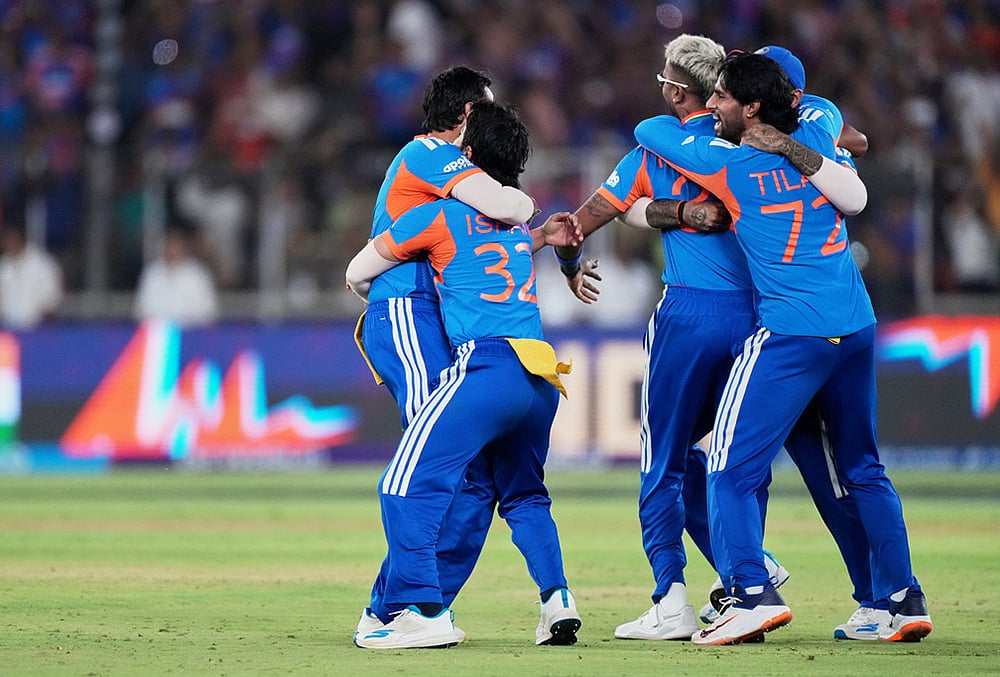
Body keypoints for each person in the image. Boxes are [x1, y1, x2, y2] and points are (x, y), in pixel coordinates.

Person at [633, 51, 931, 645]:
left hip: (791, 335)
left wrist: (722, 126)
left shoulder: (729, 166)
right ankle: (899, 600)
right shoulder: (818, 127)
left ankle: (747, 594)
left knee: (728, 467)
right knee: (863, 469)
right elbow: (852, 190)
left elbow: (650, 130)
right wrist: (792, 137)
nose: (711, 105)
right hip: (855, 326)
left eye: (720, 98)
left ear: (749, 109)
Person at [353, 65, 575, 647]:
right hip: (414, 313)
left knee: (460, 477)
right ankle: (413, 608)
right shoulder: (428, 153)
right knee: (449, 474)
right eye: (489, 105)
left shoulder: (455, 211)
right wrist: (533, 213)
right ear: (468, 115)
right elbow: (510, 203)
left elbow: (496, 226)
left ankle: (407, 609)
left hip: (455, 333)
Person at [133, 225, 219, 328]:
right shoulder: (152, 273)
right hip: (157, 335)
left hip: (192, 334)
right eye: (169, 245)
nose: (172, 249)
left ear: (183, 247)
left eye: (176, 245)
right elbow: (140, 310)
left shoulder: (197, 274)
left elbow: (208, 311)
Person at [0, 221, 64, 330]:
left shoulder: (42, 264)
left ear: (21, 240)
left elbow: (54, 295)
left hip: (37, 328)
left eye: (12, 240)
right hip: (8, 329)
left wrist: (44, 317)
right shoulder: (3, 266)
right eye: (6, 242)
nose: (8, 245)